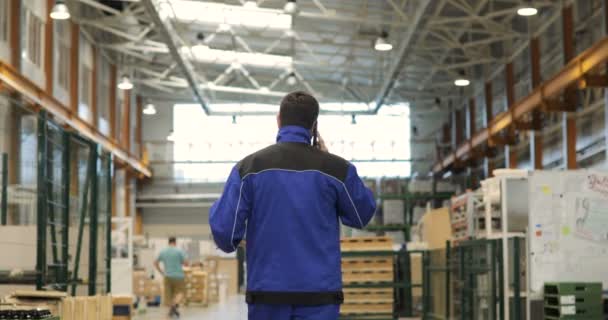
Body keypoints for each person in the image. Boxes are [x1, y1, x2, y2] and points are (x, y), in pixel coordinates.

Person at [209, 91, 376, 320]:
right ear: (314, 125)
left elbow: (225, 235)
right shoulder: (336, 170)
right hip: (320, 299)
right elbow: (362, 214)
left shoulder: (248, 169)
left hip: (266, 298)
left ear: (278, 120)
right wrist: (328, 161)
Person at [154, 236, 188, 318]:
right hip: (178, 276)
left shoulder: (163, 251)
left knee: (169, 296)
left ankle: (172, 308)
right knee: (181, 293)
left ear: (168, 242)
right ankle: (175, 305)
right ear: (175, 242)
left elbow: (155, 263)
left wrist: (161, 272)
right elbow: (186, 263)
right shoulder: (179, 251)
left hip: (167, 276)